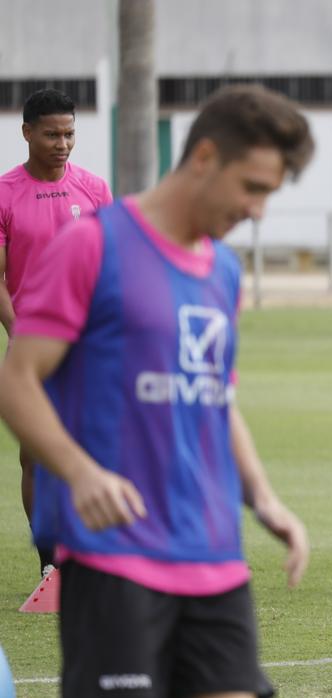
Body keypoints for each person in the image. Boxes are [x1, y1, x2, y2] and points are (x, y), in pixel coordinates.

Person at [0, 84, 312, 696]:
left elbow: (217, 398)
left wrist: (264, 499)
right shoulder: (92, 245)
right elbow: (16, 382)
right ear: (203, 159)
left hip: (214, 555)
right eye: (252, 188)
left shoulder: (221, 270)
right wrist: (80, 472)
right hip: (115, 558)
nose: (258, 211)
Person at [0, 87, 112, 579]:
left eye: (69, 134)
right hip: (33, 349)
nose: (62, 143)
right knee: (37, 457)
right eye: (51, 134)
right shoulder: (4, 194)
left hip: (91, 345)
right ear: (26, 133)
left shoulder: (94, 188)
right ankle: (51, 565)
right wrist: (21, 332)